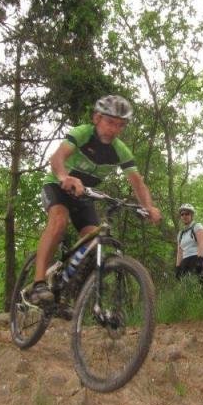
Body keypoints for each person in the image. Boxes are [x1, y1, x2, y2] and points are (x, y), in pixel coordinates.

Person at [28, 95, 162, 304]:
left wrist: (148, 207)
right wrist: (64, 177)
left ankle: (69, 293)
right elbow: (57, 158)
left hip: (84, 194)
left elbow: (137, 182)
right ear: (97, 118)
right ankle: (38, 284)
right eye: (110, 122)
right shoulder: (83, 133)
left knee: (92, 241)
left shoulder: (120, 150)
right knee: (59, 220)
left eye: (120, 125)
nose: (114, 129)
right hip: (57, 185)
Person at [175, 203, 203, 293]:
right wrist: (177, 267)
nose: (184, 216)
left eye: (187, 214)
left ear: (191, 215)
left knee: (201, 284)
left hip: (197, 257)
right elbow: (179, 251)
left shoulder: (197, 226)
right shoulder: (180, 233)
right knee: (186, 286)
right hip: (185, 260)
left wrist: (200, 259)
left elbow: (201, 244)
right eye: (182, 214)